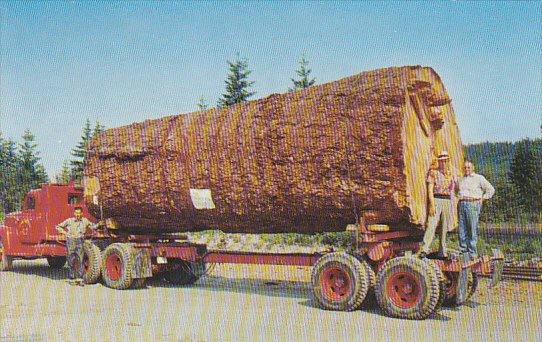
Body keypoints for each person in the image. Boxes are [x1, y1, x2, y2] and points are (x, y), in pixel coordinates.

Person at [419, 151, 457, 259]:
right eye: (441, 161)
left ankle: (442, 251)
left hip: (447, 200)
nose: (443, 163)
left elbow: (456, 188)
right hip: (436, 199)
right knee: (431, 224)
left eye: (445, 161)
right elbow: (430, 189)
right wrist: (431, 204)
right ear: (439, 161)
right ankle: (424, 249)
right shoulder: (433, 173)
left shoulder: (451, 173)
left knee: (444, 227)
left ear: (448, 161)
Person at [456, 161, 495, 259]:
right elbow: (455, 190)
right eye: (465, 167)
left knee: (472, 228)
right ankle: (463, 250)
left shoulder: (479, 178)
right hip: (462, 203)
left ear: (473, 168)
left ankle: (472, 252)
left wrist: (483, 198)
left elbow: (491, 189)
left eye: (468, 167)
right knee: (461, 228)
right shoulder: (460, 179)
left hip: (473, 204)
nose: (466, 169)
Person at [56, 207, 96, 286]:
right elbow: (58, 227)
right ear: (74, 213)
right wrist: (65, 233)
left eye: (79, 213)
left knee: (80, 259)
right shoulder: (69, 221)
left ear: (81, 213)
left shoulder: (85, 221)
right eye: (76, 213)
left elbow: (93, 226)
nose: (77, 214)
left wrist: (98, 225)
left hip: (80, 241)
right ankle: (72, 278)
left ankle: (80, 279)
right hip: (71, 241)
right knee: (71, 260)